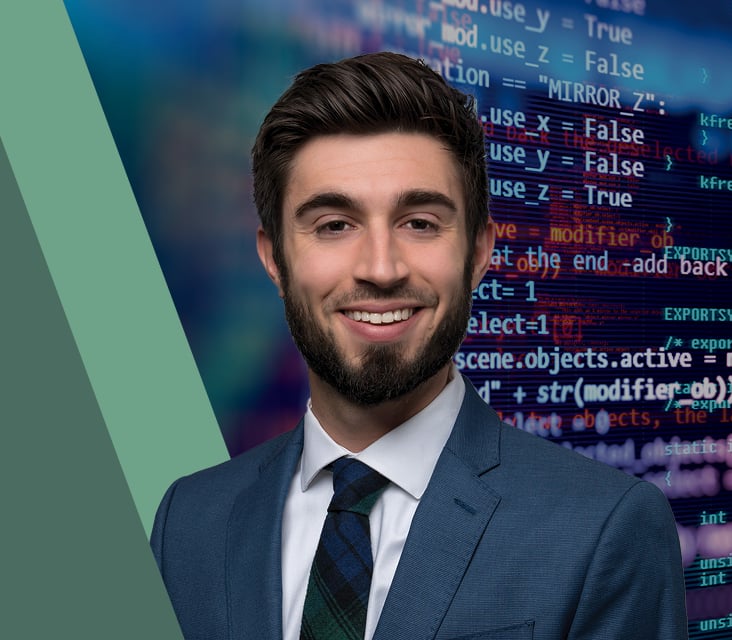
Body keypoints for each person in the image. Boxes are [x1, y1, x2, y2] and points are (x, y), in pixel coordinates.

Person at [150, 51, 688, 640]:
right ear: (274, 257)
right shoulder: (188, 521)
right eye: (334, 225)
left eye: (420, 222)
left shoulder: (604, 529)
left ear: (479, 251)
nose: (381, 268)